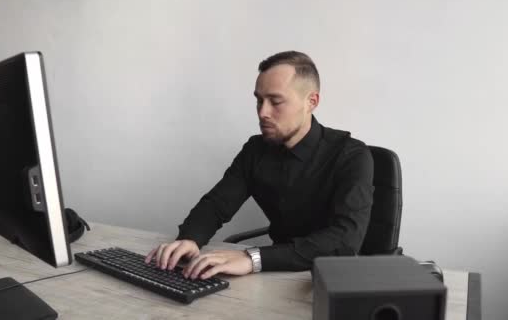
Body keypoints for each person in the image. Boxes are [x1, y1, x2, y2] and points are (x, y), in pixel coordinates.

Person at [145, 51, 374, 280]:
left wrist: (252, 258)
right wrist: (191, 238)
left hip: (336, 281)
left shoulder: (351, 156)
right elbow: (216, 204)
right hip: (275, 273)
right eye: (259, 100)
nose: (263, 112)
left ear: (311, 102)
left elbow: (344, 240)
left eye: (275, 101)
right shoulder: (256, 150)